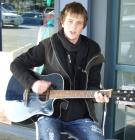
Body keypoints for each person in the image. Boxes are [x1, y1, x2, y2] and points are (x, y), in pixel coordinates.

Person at [10, 2, 109, 140]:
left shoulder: (93, 50)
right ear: (62, 22)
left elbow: (93, 84)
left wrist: (97, 96)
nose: (73, 27)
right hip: (49, 115)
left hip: (81, 117)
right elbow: (16, 65)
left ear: (83, 26)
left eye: (78, 23)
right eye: (70, 21)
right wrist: (33, 84)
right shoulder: (48, 45)